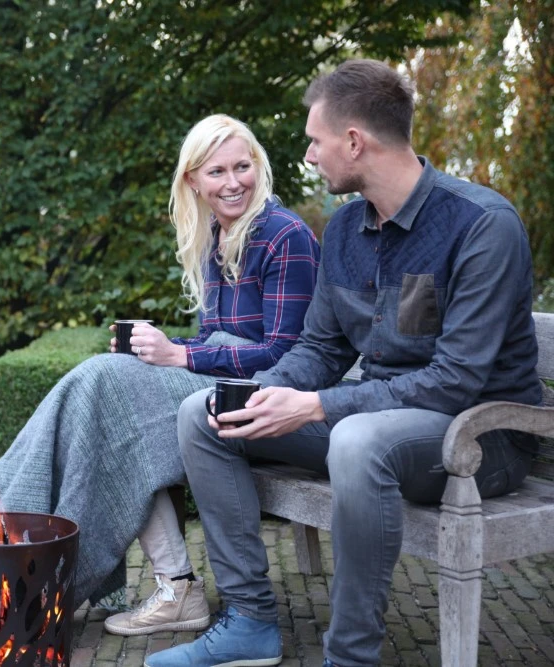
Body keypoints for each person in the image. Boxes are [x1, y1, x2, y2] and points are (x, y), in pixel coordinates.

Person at [146, 59, 541, 667]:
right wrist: (266, 393)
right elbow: (323, 349)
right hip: (378, 418)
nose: (307, 155)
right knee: (206, 413)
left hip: (479, 437)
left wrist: (320, 404)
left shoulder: (481, 226)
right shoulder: (345, 231)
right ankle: (249, 620)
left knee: (358, 440)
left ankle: (350, 656)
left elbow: (456, 380)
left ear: (354, 141)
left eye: (315, 140)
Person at [0, 114, 320, 635]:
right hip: (223, 394)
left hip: (270, 402)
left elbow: (284, 355)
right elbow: (214, 340)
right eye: (216, 171)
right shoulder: (214, 237)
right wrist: (166, 349)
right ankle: (170, 588)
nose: (232, 182)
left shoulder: (284, 234)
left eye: (242, 167)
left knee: (105, 385)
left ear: (258, 167)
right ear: (192, 181)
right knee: (112, 400)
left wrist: (179, 356)